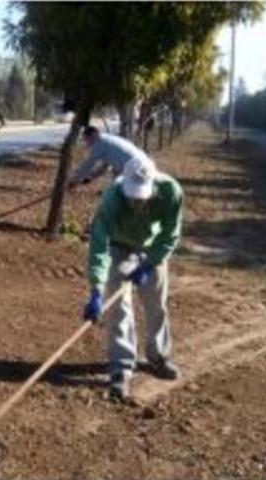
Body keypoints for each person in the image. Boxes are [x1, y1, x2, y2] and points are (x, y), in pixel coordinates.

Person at [82, 155, 184, 403]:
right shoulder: (112, 196)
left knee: (156, 303)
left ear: (153, 183)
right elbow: (99, 244)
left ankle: (158, 356)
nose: (136, 200)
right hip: (119, 246)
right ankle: (121, 366)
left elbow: (170, 235)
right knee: (118, 306)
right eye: (132, 195)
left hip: (151, 248)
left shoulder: (171, 191)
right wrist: (96, 289)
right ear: (124, 183)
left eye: (142, 195)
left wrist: (150, 263)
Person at [67, 126, 150, 190]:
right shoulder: (107, 139)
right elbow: (105, 167)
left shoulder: (99, 144)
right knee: (115, 176)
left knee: (117, 187)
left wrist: (74, 181)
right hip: (144, 164)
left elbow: (87, 165)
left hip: (135, 170)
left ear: (93, 135)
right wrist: (91, 177)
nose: (86, 143)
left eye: (86, 139)